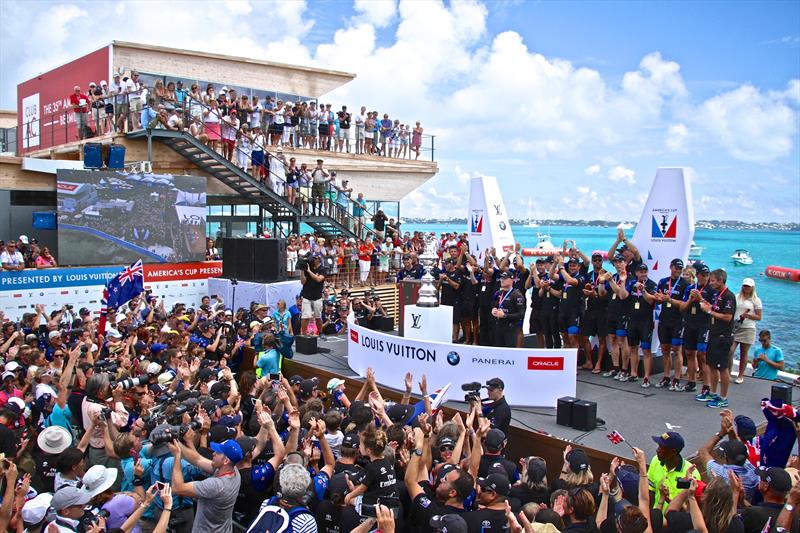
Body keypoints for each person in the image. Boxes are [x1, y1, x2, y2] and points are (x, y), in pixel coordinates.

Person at [168, 438, 242, 533]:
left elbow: (177, 488)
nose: (213, 453)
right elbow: (198, 459)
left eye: (218, 452)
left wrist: (177, 456)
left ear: (226, 460)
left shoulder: (216, 486)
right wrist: (177, 443)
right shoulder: (234, 471)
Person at [700, 268, 737, 408]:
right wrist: (705, 304)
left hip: (723, 337)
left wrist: (709, 311)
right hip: (713, 335)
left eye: (713, 280)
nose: (710, 283)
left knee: (722, 367)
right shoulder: (716, 294)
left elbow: (728, 317)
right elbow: (715, 309)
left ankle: (723, 397)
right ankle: (713, 393)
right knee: (712, 366)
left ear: (721, 280)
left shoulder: (729, 296)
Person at [647, 431, 700, 513]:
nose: (657, 450)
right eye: (658, 446)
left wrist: (665, 498)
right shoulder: (655, 461)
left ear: (673, 452)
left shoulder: (693, 474)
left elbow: (688, 509)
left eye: (662, 448)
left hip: (675, 522)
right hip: (657, 517)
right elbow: (651, 491)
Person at [624, 263, 657, 387]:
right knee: (633, 347)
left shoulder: (652, 285)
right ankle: (633, 373)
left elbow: (651, 300)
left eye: (645, 271)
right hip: (632, 320)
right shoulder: (632, 284)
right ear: (636, 273)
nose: (643, 274)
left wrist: (643, 290)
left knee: (646, 349)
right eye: (641, 272)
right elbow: (624, 296)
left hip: (646, 321)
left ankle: (647, 377)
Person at [731, 277, 763, 384]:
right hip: (736, 327)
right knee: (730, 350)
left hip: (748, 328)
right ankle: (727, 371)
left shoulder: (756, 300)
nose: (746, 288)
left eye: (748, 286)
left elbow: (759, 317)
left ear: (752, 287)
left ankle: (740, 375)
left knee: (744, 353)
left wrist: (748, 315)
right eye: (745, 286)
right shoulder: (737, 297)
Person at [491, 270, 525, 348]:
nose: (502, 280)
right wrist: (493, 310)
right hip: (499, 326)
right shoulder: (498, 293)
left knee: (510, 352)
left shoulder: (517, 295)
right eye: (501, 278)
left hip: (511, 328)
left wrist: (505, 315)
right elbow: (495, 305)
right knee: (499, 350)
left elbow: (521, 314)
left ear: (511, 280)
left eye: (505, 278)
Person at [300, 254, 325, 336]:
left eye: (314, 259)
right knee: (305, 316)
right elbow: (303, 282)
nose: (312, 261)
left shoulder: (323, 269)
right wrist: (302, 271)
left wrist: (309, 271)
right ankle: (303, 333)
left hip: (317, 296)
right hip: (307, 295)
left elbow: (318, 279)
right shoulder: (308, 267)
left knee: (318, 316)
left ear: (319, 259)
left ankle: (320, 332)